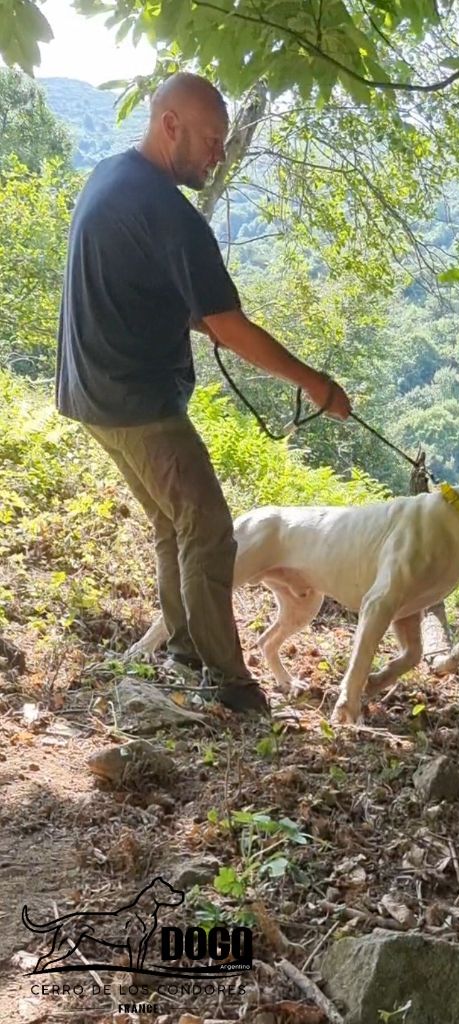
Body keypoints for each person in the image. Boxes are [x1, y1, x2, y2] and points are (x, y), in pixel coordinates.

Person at [56, 72, 351, 715]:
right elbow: (229, 326)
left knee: (175, 523)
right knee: (211, 528)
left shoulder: (111, 177)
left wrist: (194, 314)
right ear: (170, 125)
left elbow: (134, 281)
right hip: (136, 400)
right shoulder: (169, 212)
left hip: (89, 391)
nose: (219, 153)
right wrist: (317, 385)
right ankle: (228, 682)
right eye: (212, 139)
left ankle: (188, 653)